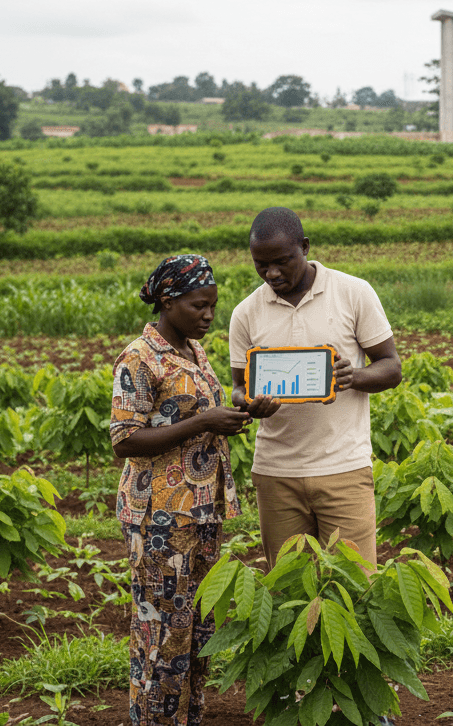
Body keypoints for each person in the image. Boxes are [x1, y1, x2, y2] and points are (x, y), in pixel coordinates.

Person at [111, 254, 262, 726]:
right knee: (161, 632)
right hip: (160, 518)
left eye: (213, 306)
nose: (209, 315)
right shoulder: (140, 357)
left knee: (197, 630)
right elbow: (126, 439)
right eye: (199, 306)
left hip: (201, 514)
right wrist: (204, 421)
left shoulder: (194, 352)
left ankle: (187, 718)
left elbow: (199, 421)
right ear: (168, 301)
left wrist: (240, 415)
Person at [229, 206, 402, 569]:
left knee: (355, 581)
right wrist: (249, 403)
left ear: (305, 247)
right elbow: (238, 387)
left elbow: (391, 367)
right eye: (261, 265)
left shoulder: (353, 293)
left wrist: (354, 376)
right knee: (289, 587)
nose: (272, 273)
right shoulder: (246, 313)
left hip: (344, 467)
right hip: (276, 471)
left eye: (282, 261)